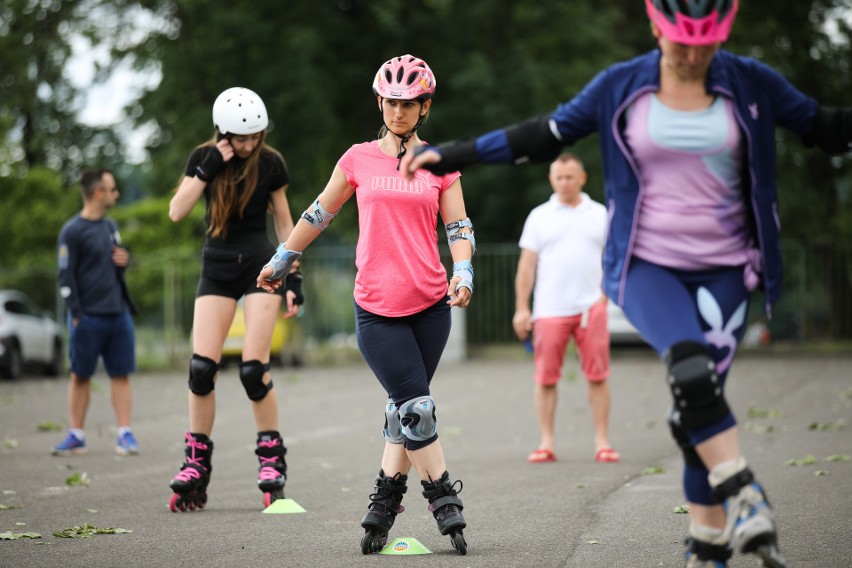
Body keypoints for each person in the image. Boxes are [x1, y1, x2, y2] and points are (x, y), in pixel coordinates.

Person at [402, 2, 851, 566]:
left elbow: (826, 128)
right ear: (656, 29)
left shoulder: (750, 81)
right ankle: (745, 492)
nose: (693, 58)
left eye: (706, 46)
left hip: (729, 269)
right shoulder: (620, 86)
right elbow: (543, 134)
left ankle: (706, 547)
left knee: (699, 405)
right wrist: (452, 153)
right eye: (680, 44)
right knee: (692, 375)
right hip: (647, 264)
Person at [256, 55, 474, 556]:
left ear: (425, 107)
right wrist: (285, 255)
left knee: (404, 406)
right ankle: (443, 498)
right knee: (418, 408)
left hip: (430, 307)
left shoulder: (441, 162)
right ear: (381, 102)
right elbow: (319, 211)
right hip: (377, 308)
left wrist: (463, 271)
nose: (398, 112)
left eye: (409, 104)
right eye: (391, 102)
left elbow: (458, 229)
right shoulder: (357, 159)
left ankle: (383, 502)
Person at [166, 87, 302, 512]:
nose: (248, 145)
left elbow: (284, 221)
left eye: (254, 137)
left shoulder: (270, 162)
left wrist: (294, 276)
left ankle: (270, 460)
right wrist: (207, 167)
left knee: (252, 369)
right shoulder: (204, 158)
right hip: (217, 266)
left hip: (261, 267)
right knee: (201, 369)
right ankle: (195, 464)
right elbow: (176, 211)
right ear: (222, 132)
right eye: (240, 139)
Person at [513, 152, 619, 465]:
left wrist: (607, 294)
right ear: (551, 179)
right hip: (549, 310)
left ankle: (602, 442)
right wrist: (522, 308)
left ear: (582, 178)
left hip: (591, 307)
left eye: (570, 177)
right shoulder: (539, 216)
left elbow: (613, 259)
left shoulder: (600, 213)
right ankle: (546, 442)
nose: (564, 182)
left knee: (598, 376)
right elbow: (527, 266)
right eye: (558, 177)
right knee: (545, 378)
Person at [53, 168, 140, 457]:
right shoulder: (72, 231)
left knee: (121, 374)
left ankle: (125, 434)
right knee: (79, 374)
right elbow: (65, 276)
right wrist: (76, 314)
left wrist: (124, 261)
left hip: (118, 313)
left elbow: (114, 264)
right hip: (87, 316)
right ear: (97, 192)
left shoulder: (110, 226)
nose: (116, 194)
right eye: (112, 189)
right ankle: (76, 434)